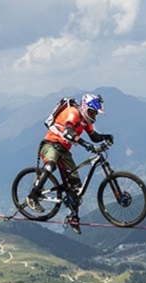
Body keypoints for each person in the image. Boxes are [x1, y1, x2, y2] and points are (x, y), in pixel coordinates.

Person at [26, 93, 113, 234]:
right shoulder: (73, 113)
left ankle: (73, 218)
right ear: (85, 108)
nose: (94, 116)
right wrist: (85, 144)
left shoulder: (85, 121)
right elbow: (68, 133)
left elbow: (94, 137)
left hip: (65, 151)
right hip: (51, 144)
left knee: (75, 188)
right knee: (50, 166)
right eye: (92, 112)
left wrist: (106, 137)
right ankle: (32, 197)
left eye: (95, 114)